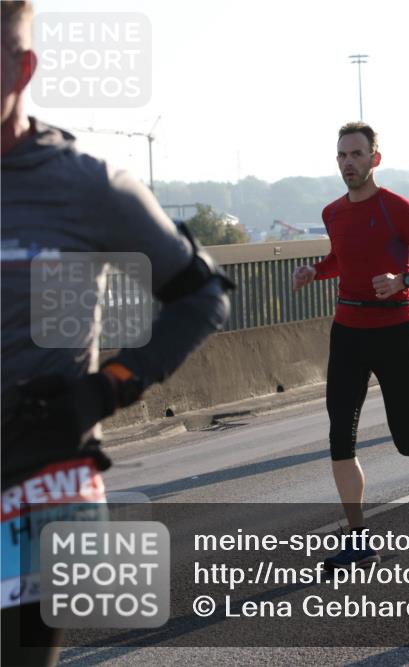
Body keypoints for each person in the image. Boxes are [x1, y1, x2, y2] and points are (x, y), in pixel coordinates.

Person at [1, 3, 234, 665]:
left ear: (23, 68)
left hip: (42, 475)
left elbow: (203, 296)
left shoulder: (87, 186)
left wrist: (105, 390)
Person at [293, 122, 409, 569]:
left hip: (393, 333)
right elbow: (341, 258)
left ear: (375, 159)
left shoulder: (398, 209)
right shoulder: (333, 212)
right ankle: (358, 538)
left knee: (406, 439)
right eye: (342, 155)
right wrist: (316, 271)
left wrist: (402, 280)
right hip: (347, 332)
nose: (349, 162)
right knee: (339, 438)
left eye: (357, 154)